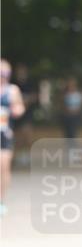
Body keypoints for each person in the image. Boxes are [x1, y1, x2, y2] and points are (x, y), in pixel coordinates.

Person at [0, 60, 26, 215]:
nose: (3, 77)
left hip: (5, 134)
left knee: (3, 166)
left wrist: (17, 109)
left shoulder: (12, 90)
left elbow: (20, 107)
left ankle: (1, 201)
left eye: (5, 74)